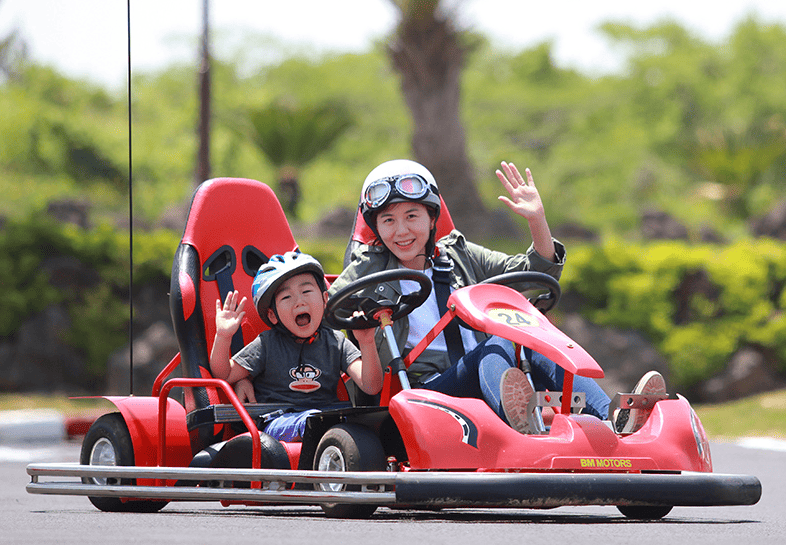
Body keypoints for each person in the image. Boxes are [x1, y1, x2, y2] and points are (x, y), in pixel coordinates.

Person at [329, 159, 665, 434]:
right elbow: (327, 306)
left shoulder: (457, 254)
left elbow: (534, 272)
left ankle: (614, 419)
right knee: (500, 342)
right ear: (376, 227)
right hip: (423, 390)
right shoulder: (369, 268)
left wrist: (537, 220)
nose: (401, 231)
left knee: (533, 340)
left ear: (432, 219)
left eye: (411, 216)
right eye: (388, 220)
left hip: (489, 368)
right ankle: (518, 423)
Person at [210, 251, 383, 442]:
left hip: (328, 417)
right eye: (286, 297)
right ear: (273, 315)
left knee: (373, 425)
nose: (299, 302)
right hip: (279, 420)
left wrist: (367, 342)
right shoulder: (266, 343)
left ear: (325, 300)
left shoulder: (336, 341)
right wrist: (223, 336)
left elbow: (371, 386)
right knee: (312, 422)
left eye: (306, 291)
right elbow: (224, 374)